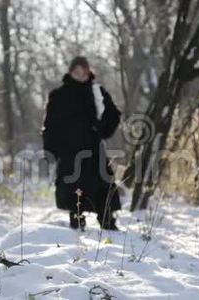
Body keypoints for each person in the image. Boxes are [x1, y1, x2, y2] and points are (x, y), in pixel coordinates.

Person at [42, 56, 121, 231]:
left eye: (83, 72)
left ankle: (107, 220)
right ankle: (77, 221)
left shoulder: (96, 92)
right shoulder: (58, 96)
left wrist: (102, 129)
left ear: (88, 72)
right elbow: (51, 125)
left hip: (93, 149)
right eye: (76, 72)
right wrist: (50, 150)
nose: (80, 76)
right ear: (70, 72)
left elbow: (113, 114)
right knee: (73, 188)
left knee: (102, 185)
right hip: (69, 152)